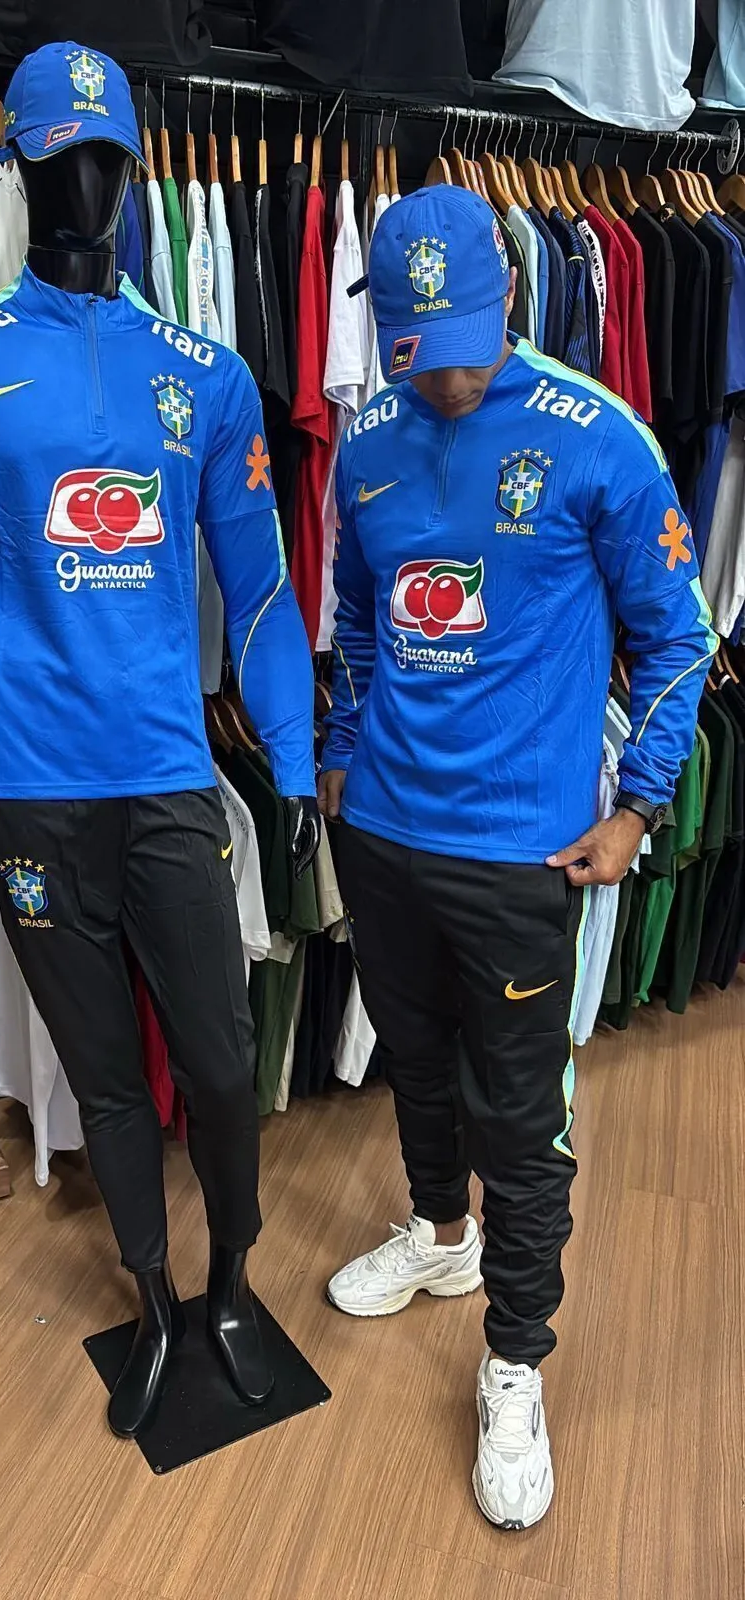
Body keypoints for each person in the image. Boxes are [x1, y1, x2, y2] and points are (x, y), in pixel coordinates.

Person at [319, 185, 716, 1530]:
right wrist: (340, 746)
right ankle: (439, 1236)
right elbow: (357, 619)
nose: (449, 376)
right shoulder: (367, 442)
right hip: (386, 831)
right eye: (422, 350)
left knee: (520, 1116)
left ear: (509, 300)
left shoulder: (599, 438)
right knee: (415, 1061)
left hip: (520, 850)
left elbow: (680, 636)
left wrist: (640, 807)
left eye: (470, 344)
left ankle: (514, 1359)